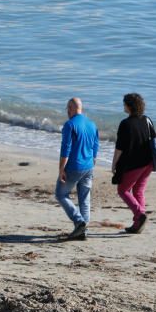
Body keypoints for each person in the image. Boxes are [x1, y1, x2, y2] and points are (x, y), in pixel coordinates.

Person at [55, 97, 99, 241]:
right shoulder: (92, 124)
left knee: (61, 194)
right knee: (85, 199)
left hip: (74, 166)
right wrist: (92, 162)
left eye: (68, 108)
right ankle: (83, 230)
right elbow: (95, 146)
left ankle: (79, 221)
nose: (67, 111)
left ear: (72, 108)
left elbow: (65, 149)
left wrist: (61, 169)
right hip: (88, 167)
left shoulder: (69, 125)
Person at [111, 92, 154, 234]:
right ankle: (137, 225)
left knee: (122, 190)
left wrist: (114, 163)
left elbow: (120, 147)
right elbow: (153, 140)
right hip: (148, 162)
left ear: (129, 106)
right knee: (138, 191)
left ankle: (139, 214)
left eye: (124, 104)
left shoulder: (125, 123)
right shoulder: (147, 120)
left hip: (134, 164)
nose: (123, 106)